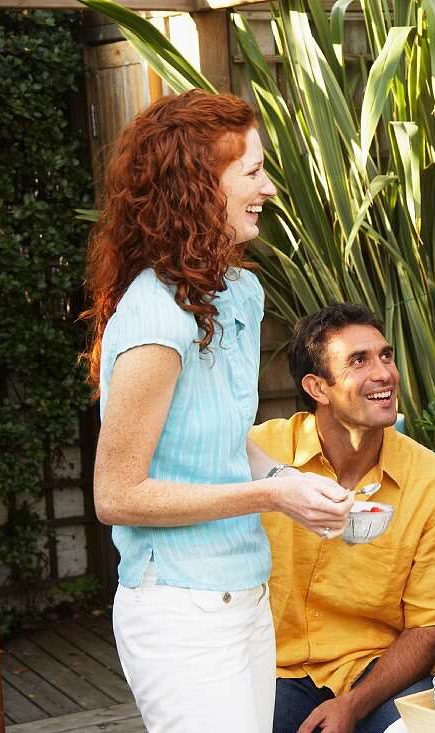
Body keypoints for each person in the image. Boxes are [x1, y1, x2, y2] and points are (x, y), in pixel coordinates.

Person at [83, 90, 353, 732]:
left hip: (245, 593)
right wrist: (271, 499)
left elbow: (226, 443)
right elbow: (117, 496)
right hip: (179, 609)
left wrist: (286, 480)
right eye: (253, 171)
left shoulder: (238, 292)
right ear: (198, 185)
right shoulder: (154, 319)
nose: (269, 187)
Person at [249, 302, 435, 733]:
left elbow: (428, 630)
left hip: (375, 674)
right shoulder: (263, 454)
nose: (384, 373)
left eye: (385, 355)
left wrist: (351, 705)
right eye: (358, 361)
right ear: (318, 387)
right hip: (272, 668)